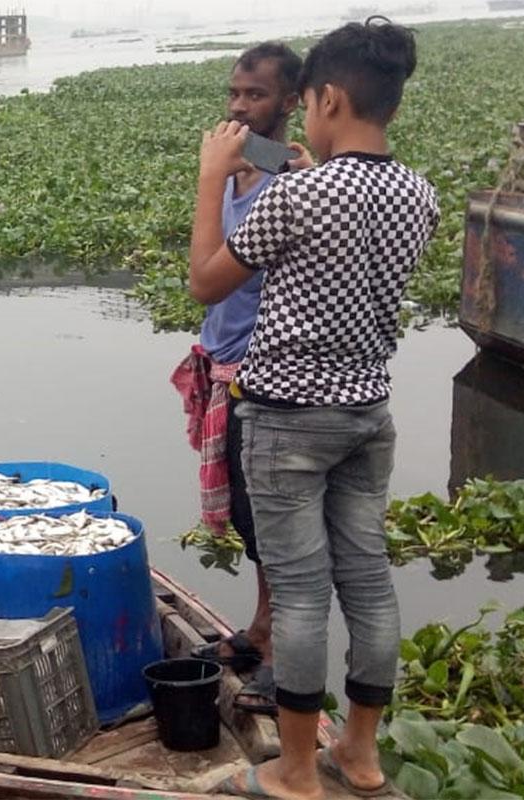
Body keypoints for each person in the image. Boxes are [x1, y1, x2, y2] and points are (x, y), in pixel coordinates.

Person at [191, 19, 440, 800]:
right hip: (369, 414)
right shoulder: (418, 193)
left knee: (298, 595)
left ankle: (296, 771)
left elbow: (206, 282)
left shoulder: (296, 192)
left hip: (288, 417)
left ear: (327, 97)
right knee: (368, 584)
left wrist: (211, 179)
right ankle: (358, 760)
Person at [171, 42, 305, 717]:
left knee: (271, 521)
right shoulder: (231, 175)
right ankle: (258, 631)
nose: (238, 107)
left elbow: (205, 282)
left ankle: (281, 656)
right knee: (252, 524)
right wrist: (213, 177)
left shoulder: (295, 185)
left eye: (254, 96)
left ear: (292, 101)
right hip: (225, 365)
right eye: (233, 94)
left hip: (267, 374)